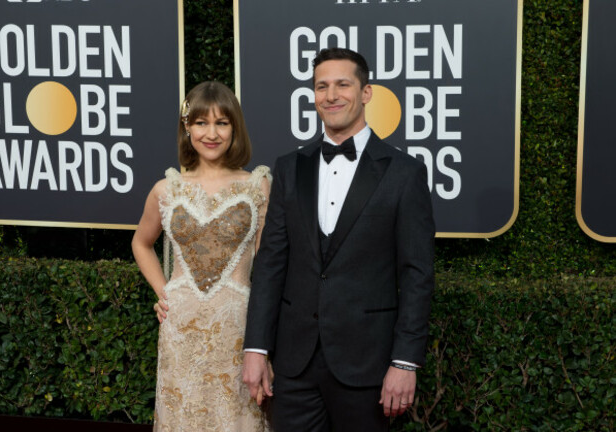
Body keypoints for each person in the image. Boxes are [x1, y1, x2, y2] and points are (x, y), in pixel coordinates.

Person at [242, 47, 435, 432]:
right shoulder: (289, 168)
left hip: (369, 366)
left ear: (366, 92)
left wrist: (405, 362)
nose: (331, 95)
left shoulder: (404, 173)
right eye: (321, 86)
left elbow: (417, 274)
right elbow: (270, 264)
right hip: (293, 367)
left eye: (342, 84)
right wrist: (256, 348)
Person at [132, 81, 271, 431]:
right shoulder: (167, 189)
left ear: (235, 128)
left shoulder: (258, 186)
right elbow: (140, 243)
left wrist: (266, 342)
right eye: (201, 123)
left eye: (222, 122)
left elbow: (271, 268)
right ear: (187, 128)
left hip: (239, 330)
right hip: (180, 331)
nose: (211, 133)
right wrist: (165, 292)